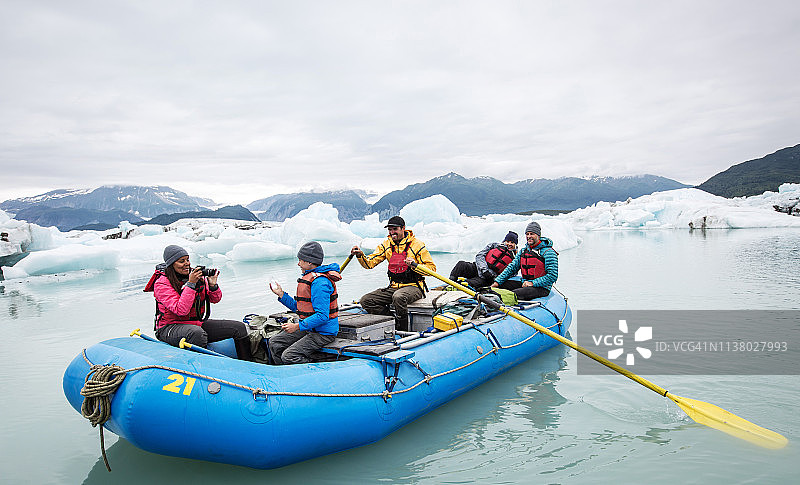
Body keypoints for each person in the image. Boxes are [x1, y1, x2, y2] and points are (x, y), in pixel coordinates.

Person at [145, 245, 252, 360]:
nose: (187, 263)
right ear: (171, 264)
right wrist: (191, 285)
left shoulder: (195, 276)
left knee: (239, 328)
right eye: (181, 261)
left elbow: (215, 299)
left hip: (194, 323)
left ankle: (247, 364)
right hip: (169, 327)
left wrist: (212, 285)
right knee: (196, 334)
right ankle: (201, 368)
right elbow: (180, 310)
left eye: (187, 259)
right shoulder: (162, 283)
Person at [350, 215, 436, 331]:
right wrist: (360, 255)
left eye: (395, 229)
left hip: (414, 287)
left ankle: (403, 329)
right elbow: (369, 264)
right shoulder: (386, 245)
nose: (392, 232)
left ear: (403, 228)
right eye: (390, 230)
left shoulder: (417, 245)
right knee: (366, 300)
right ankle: (392, 321)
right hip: (394, 286)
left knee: (398, 297)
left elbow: (431, 269)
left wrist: (415, 265)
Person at [268, 241, 341, 364]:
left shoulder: (320, 283)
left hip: (323, 333)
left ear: (309, 262)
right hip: (310, 328)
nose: (298, 263)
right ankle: (284, 373)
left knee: (289, 356)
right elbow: (300, 308)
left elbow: (322, 316)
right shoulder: (310, 278)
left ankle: (312, 371)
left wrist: (296, 326)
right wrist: (281, 294)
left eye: (300, 260)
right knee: (275, 343)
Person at [492, 222, 558, 300]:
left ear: (538, 235)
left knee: (514, 294)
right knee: (500, 286)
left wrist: (532, 283)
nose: (529, 236)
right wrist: (497, 282)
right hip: (525, 283)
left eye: (532, 234)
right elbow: (512, 267)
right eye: (527, 234)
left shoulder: (548, 252)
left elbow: (552, 276)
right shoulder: (524, 251)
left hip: (541, 288)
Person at [449, 231, 519, 289]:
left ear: (515, 244)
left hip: (487, 278)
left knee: (469, 284)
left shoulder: (515, 258)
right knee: (461, 265)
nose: (509, 244)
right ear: (504, 241)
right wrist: (484, 270)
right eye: (508, 241)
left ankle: (458, 287)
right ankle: (449, 283)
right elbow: (479, 256)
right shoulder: (494, 245)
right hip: (477, 268)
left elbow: (511, 274)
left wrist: (493, 277)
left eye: (512, 242)